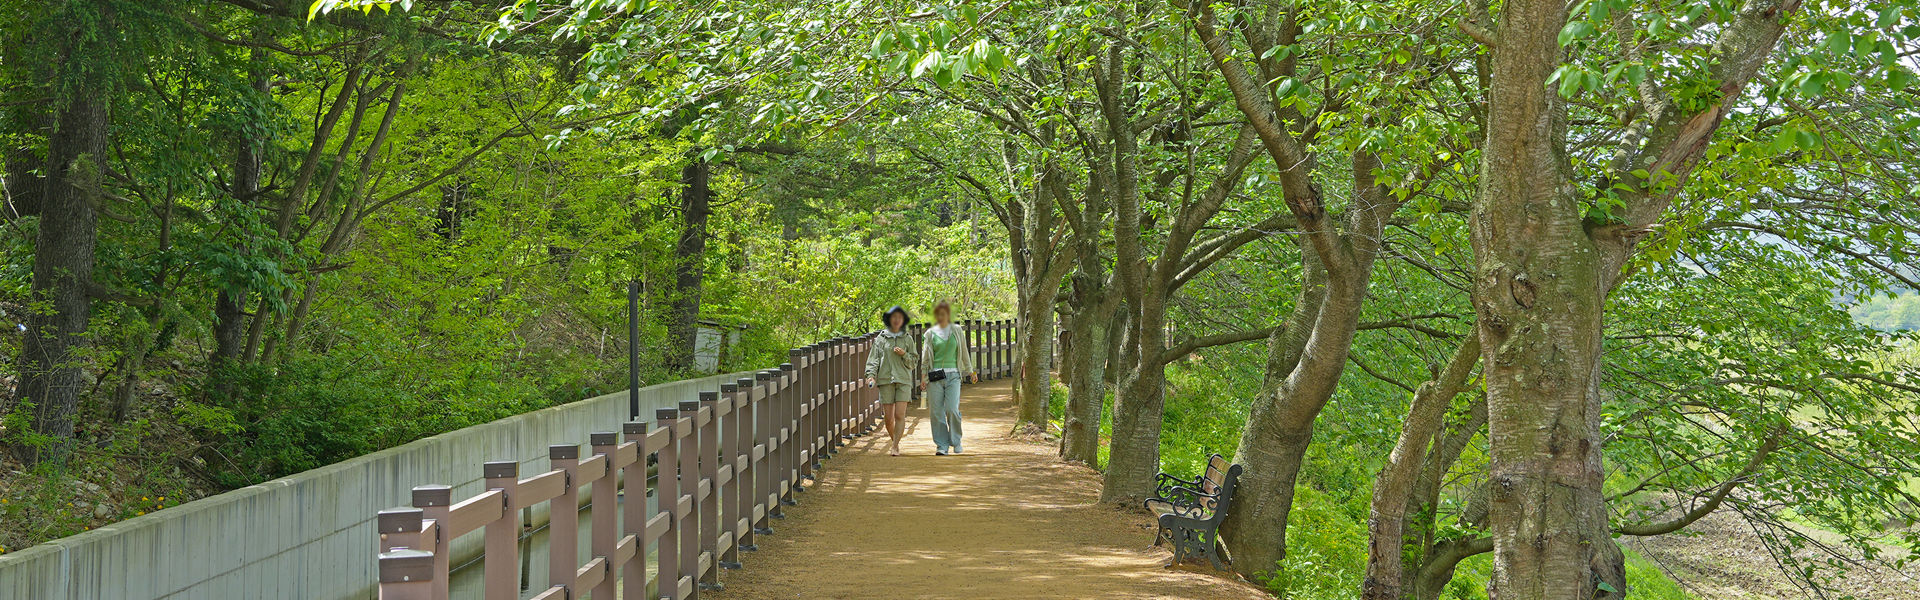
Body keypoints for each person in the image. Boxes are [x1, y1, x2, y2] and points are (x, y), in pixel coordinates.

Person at [919, 300, 977, 455]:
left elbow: (964, 352)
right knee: (936, 412)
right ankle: (941, 445)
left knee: (952, 409)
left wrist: (970, 371)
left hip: (953, 376)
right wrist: (923, 377)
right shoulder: (929, 334)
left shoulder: (957, 330)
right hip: (934, 377)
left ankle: (956, 441)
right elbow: (925, 358)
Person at [865, 306, 918, 456]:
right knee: (889, 419)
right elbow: (873, 359)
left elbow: (914, 362)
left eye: (899, 317)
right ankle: (895, 441)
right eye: (894, 317)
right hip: (885, 380)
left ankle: (894, 446)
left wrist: (904, 354)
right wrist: (871, 375)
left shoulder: (907, 338)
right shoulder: (881, 339)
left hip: (903, 380)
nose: (896, 320)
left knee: (900, 415)